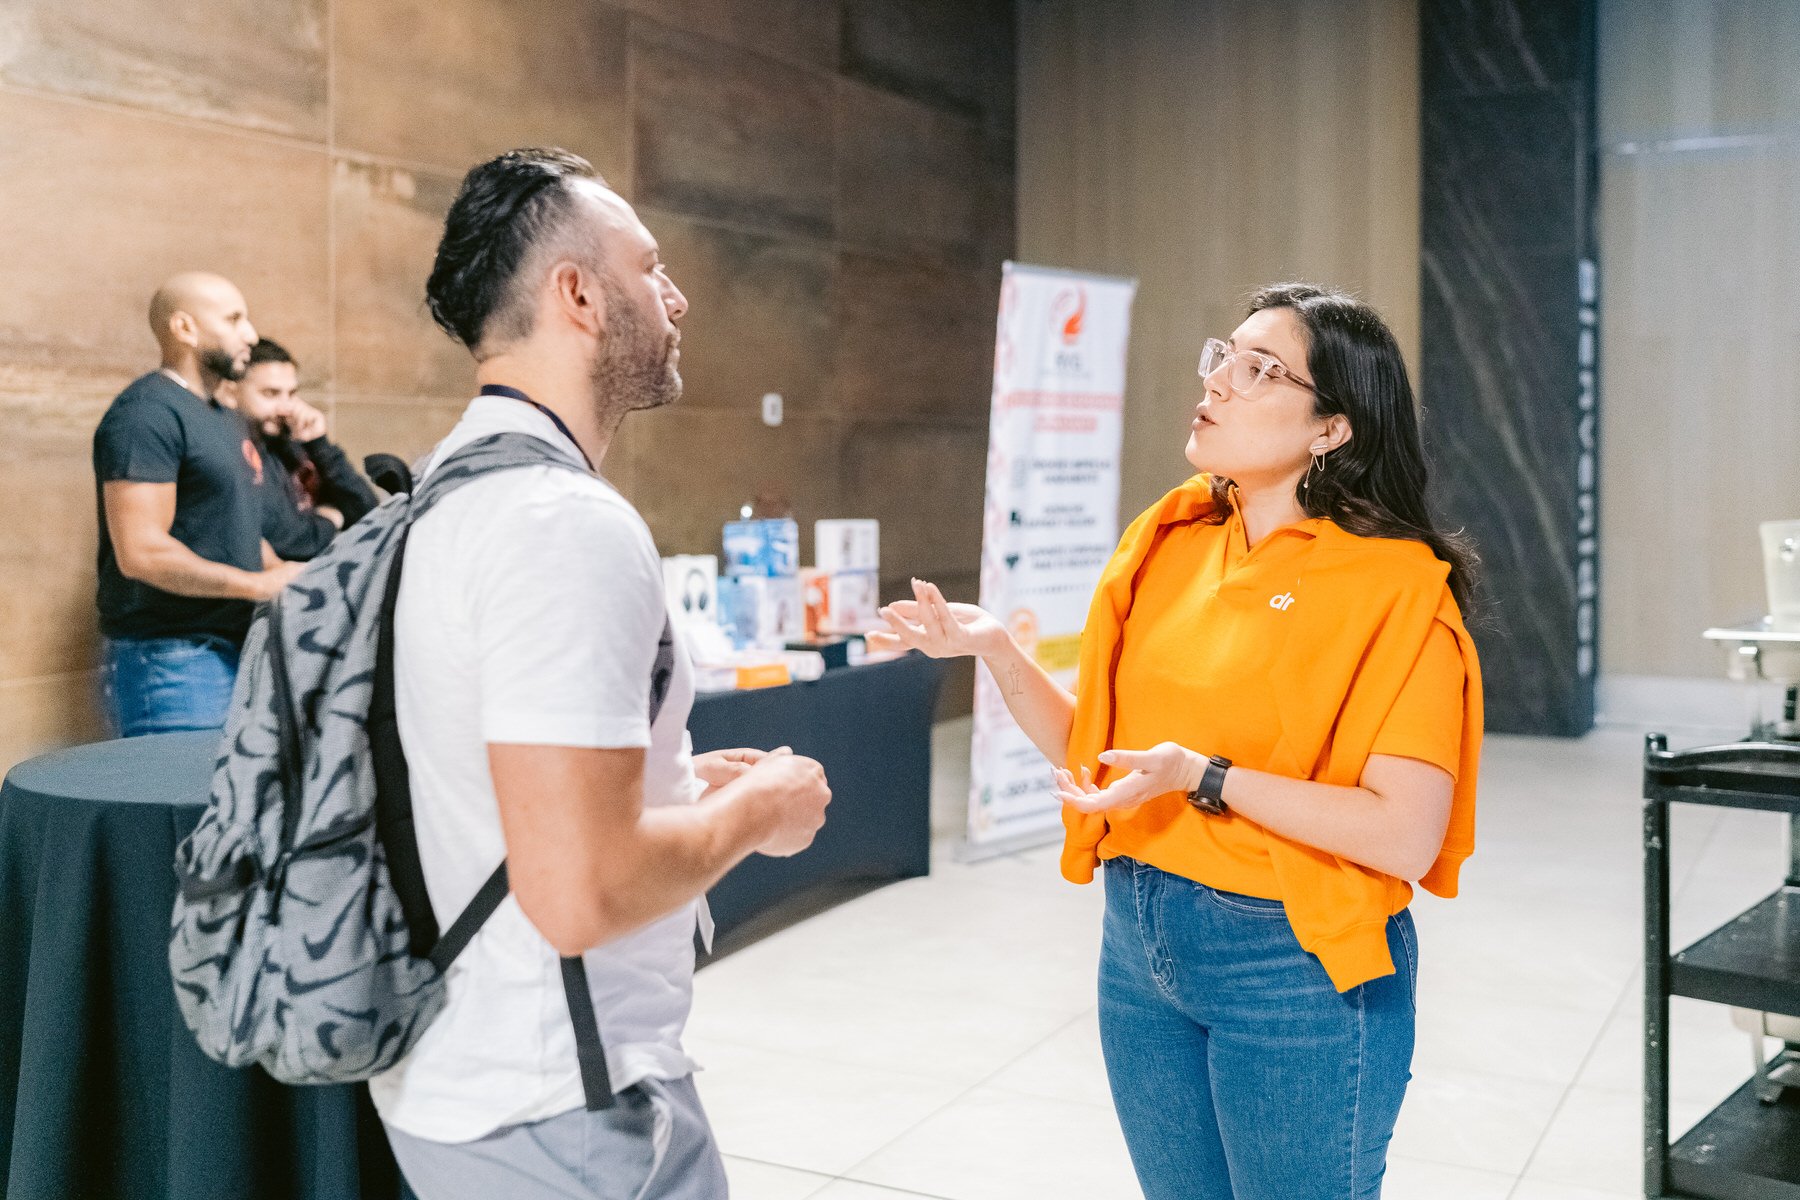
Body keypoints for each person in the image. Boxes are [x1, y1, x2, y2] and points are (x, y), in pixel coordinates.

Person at [872, 284, 1484, 1200]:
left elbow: (1403, 832)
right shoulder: (1171, 544)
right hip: (1140, 947)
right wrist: (994, 649)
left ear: (1332, 429)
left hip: (1295, 970)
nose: (1219, 383)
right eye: (1222, 357)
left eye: (1260, 369)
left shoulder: (1397, 592)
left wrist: (1207, 778)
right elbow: (1102, 753)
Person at [369, 147, 833, 1200]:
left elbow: (495, 785)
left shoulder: (449, 491)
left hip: (475, 1077)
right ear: (578, 295)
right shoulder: (562, 526)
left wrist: (673, 790)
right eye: (650, 265)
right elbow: (583, 890)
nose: (678, 296)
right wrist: (762, 806)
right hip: (563, 1107)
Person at [93, 273, 304, 736]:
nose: (250, 333)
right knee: (184, 807)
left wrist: (288, 574)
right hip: (172, 660)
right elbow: (142, 552)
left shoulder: (225, 418)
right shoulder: (147, 414)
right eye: (233, 319)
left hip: (235, 648)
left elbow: (235, 527)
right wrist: (256, 586)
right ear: (184, 328)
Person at [214, 337, 379, 561]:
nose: (286, 408)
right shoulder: (229, 451)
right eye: (270, 394)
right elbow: (284, 540)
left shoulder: (288, 441)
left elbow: (367, 509)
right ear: (231, 392)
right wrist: (331, 519)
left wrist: (318, 444)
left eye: (291, 394)